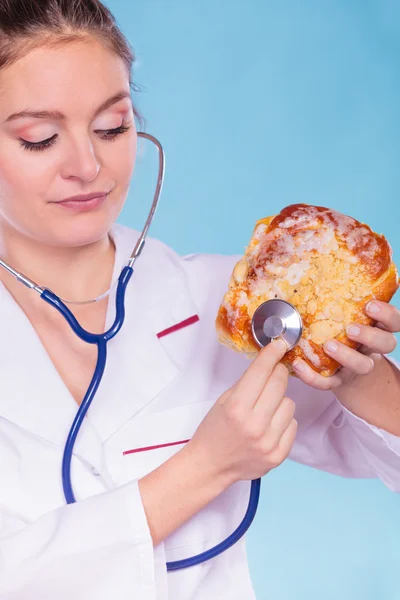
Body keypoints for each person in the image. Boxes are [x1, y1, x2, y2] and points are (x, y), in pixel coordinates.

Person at [0, 1, 399, 599]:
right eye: (41, 139)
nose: (88, 165)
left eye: (112, 127)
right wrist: (207, 466)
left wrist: (356, 373)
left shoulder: (231, 308)